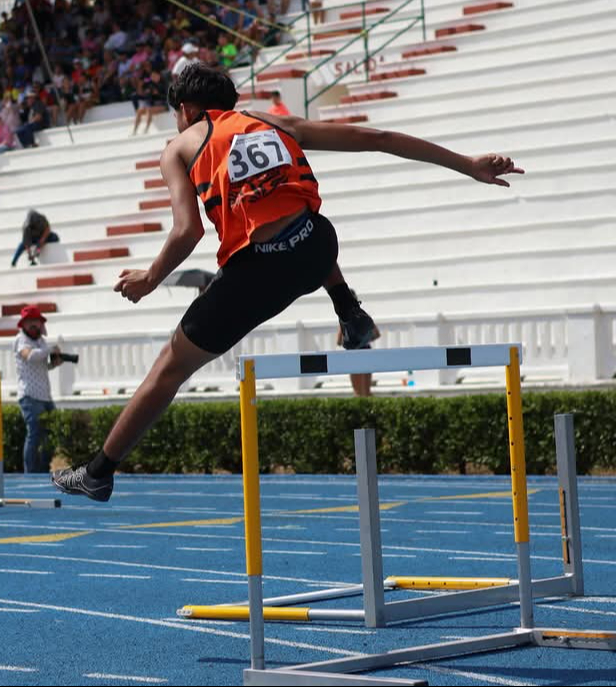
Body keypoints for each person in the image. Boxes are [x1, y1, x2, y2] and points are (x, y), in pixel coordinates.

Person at [52, 64, 523, 502]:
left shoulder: (179, 146)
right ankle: (347, 308)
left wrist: (150, 278)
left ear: (186, 111)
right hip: (318, 248)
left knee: (169, 368)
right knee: (304, 219)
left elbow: (188, 230)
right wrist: (467, 164)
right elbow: (375, 137)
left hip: (259, 270)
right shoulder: (272, 122)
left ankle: (99, 470)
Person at [14, 305, 63, 473]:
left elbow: (41, 366)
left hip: (44, 395)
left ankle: (42, 470)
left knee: (51, 434)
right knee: (34, 434)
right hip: (29, 395)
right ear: (23, 325)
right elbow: (30, 356)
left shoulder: (40, 341)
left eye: (36, 320)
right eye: (29, 322)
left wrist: (54, 363)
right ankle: (31, 472)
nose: (33, 324)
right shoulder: (21, 340)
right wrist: (50, 349)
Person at [336, 291, 379, 397]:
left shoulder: (345, 318)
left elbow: (339, 341)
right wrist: (363, 340)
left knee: (358, 393)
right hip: (366, 352)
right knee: (366, 392)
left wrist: (352, 342)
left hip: (353, 354)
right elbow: (376, 334)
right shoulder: (363, 315)